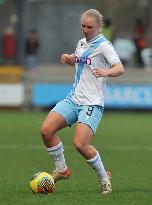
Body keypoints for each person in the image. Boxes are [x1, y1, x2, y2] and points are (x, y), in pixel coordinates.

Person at [41, 9, 124, 195]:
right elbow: (81, 61)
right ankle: (61, 169)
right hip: (74, 98)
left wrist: (107, 72)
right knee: (46, 131)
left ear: (98, 27)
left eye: (89, 27)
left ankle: (104, 179)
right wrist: (70, 59)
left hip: (92, 103)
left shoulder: (104, 46)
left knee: (80, 144)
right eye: (83, 26)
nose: (85, 30)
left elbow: (119, 68)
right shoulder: (81, 42)